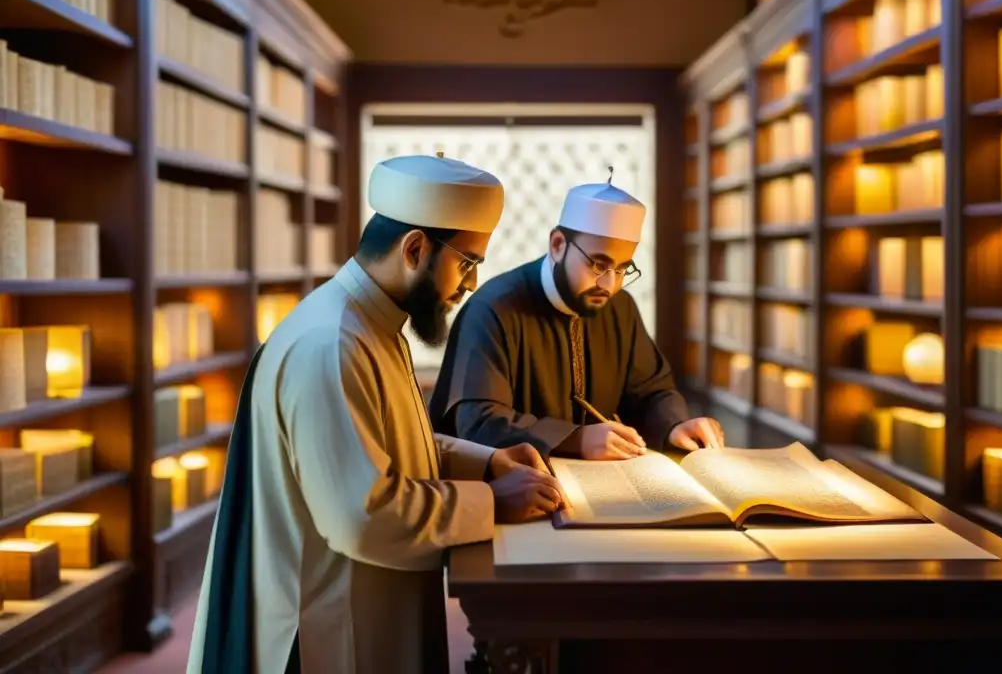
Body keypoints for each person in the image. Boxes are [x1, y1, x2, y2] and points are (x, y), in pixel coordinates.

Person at [187, 153, 564, 674]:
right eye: (467, 262)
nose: (472, 284)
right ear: (414, 248)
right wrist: (492, 501)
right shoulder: (333, 342)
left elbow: (392, 441)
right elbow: (361, 515)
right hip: (330, 629)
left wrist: (488, 462)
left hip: (367, 604)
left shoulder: (372, 324)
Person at [430, 172, 725, 460]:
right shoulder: (494, 309)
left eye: (622, 269)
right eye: (598, 264)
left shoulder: (619, 307)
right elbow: (480, 422)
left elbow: (650, 390)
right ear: (558, 245)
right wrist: (576, 438)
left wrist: (674, 424)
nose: (610, 285)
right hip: (515, 489)